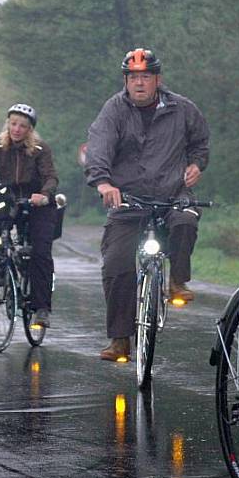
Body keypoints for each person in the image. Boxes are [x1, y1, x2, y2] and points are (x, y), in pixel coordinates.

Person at [84, 48, 210, 362]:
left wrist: (197, 164)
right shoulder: (113, 110)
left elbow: (200, 141)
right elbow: (98, 147)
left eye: (146, 77)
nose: (139, 83)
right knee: (116, 263)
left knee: (185, 221)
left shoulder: (182, 108)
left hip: (172, 194)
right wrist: (103, 182)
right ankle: (120, 340)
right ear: (126, 81)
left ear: (158, 80)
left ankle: (177, 281)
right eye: (133, 77)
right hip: (128, 199)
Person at [0, 103, 59, 328]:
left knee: (40, 253)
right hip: (9, 201)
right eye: (13, 124)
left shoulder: (40, 149)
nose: (17, 129)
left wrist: (45, 194)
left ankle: (41, 309)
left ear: (30, 129)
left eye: (22, 126)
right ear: (7, 124)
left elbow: (50, 176)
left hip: (38, 204)